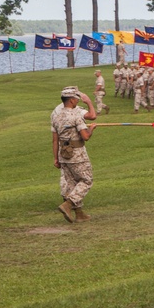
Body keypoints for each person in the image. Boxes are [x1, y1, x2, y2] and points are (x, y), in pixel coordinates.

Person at [51, 86, 97, 222]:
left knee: (71, 183)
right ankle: (68, 204)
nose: (77, 101)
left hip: (63, 154)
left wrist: (55, 158)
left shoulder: (55, 116)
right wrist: (91, 129)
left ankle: (79, 214)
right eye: (76, 99)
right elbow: (85, 136)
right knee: (86, 180)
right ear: (71, 100)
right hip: (77, 154)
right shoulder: (76, 116)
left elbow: (55, 139)